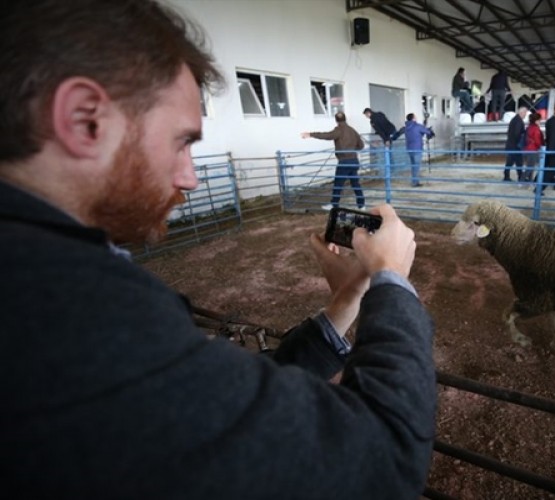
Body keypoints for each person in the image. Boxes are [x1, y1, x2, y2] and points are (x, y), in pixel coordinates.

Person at [0, 2, 436, 498]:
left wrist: (344, 303)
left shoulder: (35, 274)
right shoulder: (69, 311)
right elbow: (383, 460)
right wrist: (392, 284)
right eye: (182, 141)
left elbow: (219, 407)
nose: (188, 176)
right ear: (84, 120)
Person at [302, 112, 366, 210]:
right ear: (345, 119)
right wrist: (352, 149)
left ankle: (334, 204)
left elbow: (327, 135)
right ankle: (361, 205)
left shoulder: (339, 130)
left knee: (338, 184)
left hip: (344, 161)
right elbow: (361, 145)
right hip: (354, 160)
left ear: (336, 120)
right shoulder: (352, 130)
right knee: (355, 183)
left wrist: (310, 134)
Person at [401, 113, 434, 187]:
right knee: (416, 166)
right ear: (413, 119)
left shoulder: (406, 127)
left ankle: (414, 181)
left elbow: (418, 133)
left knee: (413, 166)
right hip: (417, 148)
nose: (416, 118)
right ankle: (415, 183)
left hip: (409, 149)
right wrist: (430, 131)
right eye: (415, 117)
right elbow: (427, 132)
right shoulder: (418, 126)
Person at [503, 106, 528, 181]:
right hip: (515, 145)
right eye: (525, 113)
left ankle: (508, 176)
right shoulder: (518, 121)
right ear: (522, 112)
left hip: (511, 144)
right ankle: (519, 177)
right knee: (517, 162)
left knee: (512, 162)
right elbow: (517, 134)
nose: (525, 115)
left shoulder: (515, 119)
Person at [522, 112, 545, 183]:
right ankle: (522, 180)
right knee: (530, 167)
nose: (540, 121)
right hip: (533, 150)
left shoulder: (529, 127)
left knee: (530, 166)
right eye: (539, 120)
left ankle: (529, 180)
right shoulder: (536, 129)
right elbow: (537, 141)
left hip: (527, 149)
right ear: (536, 120)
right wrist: (541, 146)